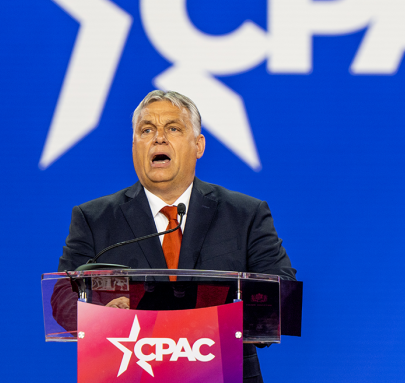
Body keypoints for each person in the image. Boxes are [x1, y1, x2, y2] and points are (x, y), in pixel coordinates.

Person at [57, 90, 296, 383]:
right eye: (147, 130)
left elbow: (280, 293)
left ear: (198, 145)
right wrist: (100, 316)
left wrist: (224, 323)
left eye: (173, 128)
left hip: (223, 373)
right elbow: (62, 298)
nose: (159, 138)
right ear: (134, 146)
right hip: (127, 373)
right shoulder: (94, 219)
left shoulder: (245, 214)